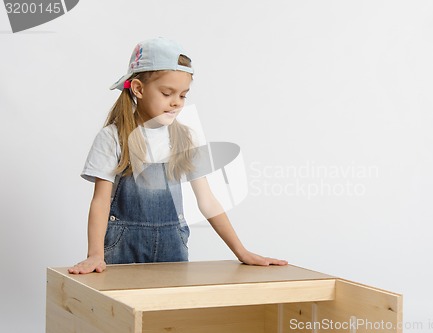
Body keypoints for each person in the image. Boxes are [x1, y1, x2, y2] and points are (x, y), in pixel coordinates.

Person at [69, 37, 287, 274]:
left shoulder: (185, 138)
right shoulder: (113, 137)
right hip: (122, 247)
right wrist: (95, 255)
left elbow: (207, 201)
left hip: (172, 247)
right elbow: (100, 201)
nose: (176, 103)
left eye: (183, 95)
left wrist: (241, 252)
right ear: (138, 89)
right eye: (167, 93)